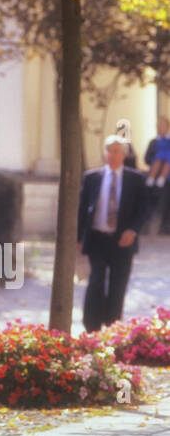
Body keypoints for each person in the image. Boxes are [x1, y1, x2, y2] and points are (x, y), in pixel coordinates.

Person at [77, 135, 147, 332]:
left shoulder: (136, 179)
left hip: (123, 240)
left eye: (116, 151)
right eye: (109, 151)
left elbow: (143, 209)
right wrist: (77, 237)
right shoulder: (92, 177)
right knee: (96, 281)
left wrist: (133, 230)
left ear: (123, 155)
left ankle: (112, 326)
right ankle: (91, 327)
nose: (112, 155)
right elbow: (82, 208)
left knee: (118, 284)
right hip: (98, 238)